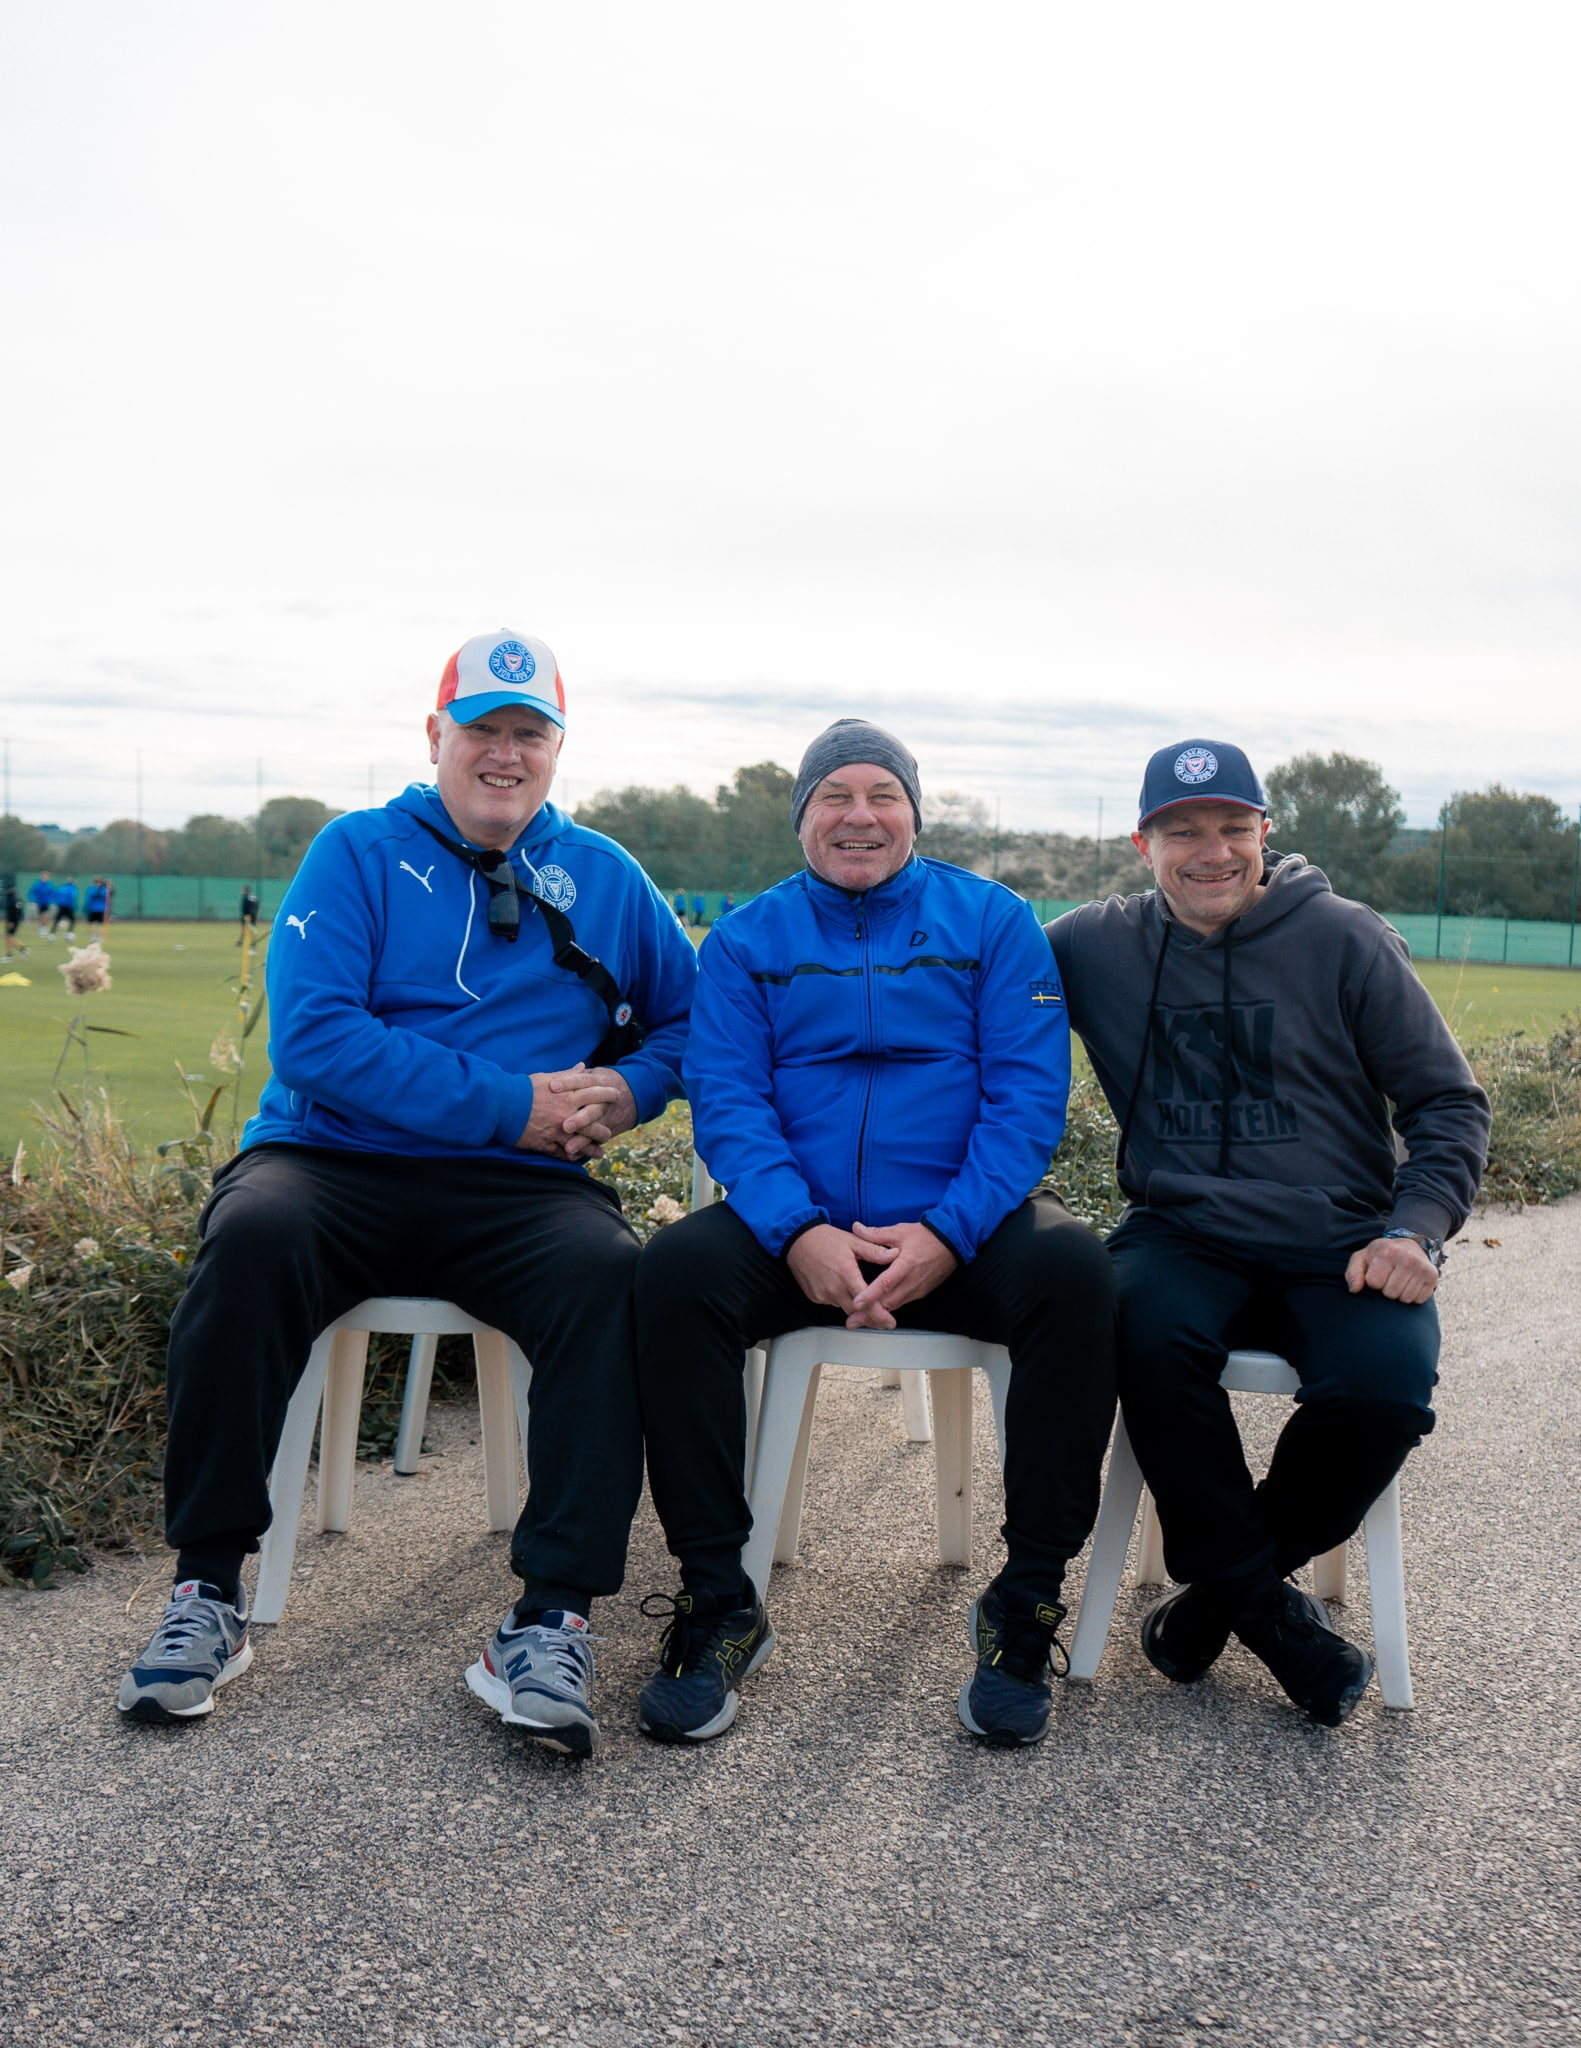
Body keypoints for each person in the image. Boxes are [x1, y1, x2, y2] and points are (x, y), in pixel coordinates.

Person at [116, 629, 698, 1756]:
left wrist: (631, 1086)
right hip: (333, 1160)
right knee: (251, 1237)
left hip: (521, 1189)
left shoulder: (609, 875)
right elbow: (318, 1038)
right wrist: (505, 1103)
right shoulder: (356, 851)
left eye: (531, 733)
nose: (506, 753)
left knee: (612, 1277)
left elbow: (691, 1020)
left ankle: (551, 1615)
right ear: (437, 735)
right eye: (483, 729)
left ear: (557, 748)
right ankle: (205, 1590)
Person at [635, 718, 1117, 1749]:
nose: (859, 815)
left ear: (913, 810)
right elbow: (727, 1101)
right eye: (834, 797)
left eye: (881, 795)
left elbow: (1027, 1100)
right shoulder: (746, 940)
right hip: (796, 1229)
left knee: (1078, 1271)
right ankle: (720, 1599)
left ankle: (1025, 1604)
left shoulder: (992, 920)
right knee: (672, 1272)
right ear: (802, 816)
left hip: (961, 1228)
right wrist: (799, 1229)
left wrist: (947, 1232)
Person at [1047, 740, 1490, 1727]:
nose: (1212, 851)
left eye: (1233, 829)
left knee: (1383, 1391)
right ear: (1141, 843)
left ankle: (1215, 1601)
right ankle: (1274, 1620)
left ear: (1264, 835)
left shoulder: (1345, 937)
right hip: (1183, 1227)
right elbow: (971, 984)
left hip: (1344, 1233)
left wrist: (1417, 1230)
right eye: (1183, 831)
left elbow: (1448, 1104)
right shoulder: (1091, 945)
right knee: (1139, 1334)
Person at [28, 872, 53, 938]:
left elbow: (52, 893)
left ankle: (44, 928)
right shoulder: (37, 885)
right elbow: (32, 892)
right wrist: (33, 899)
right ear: (41, 877)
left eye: (46, 877)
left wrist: (51, 899)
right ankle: (41, 929)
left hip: (46, 903)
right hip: (39, 903)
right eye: (43, 877)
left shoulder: (49, 885)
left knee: (45, 915)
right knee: (40, 916)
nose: (44, 878)